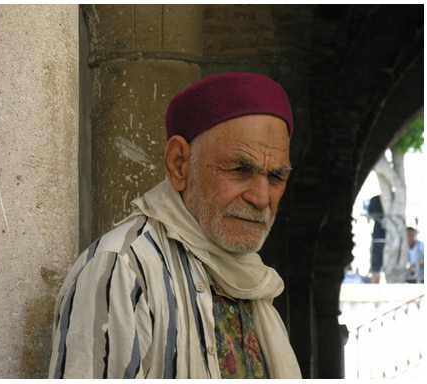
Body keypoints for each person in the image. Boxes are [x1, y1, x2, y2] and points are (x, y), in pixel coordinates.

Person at [48, 73, 302, 379]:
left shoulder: (255, 283)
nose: (261, 198)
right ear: (179, 165)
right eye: (239, 169)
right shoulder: (123, 269)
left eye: (276, 177)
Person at [367, 195, 386, 283]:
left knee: (376, 269)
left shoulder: (374, 200)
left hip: (378, 237)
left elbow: (369, 215)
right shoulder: (394, 198)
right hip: (383, 237)